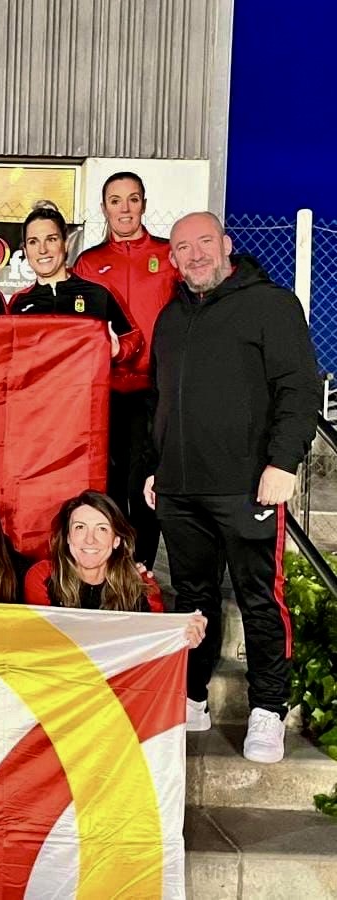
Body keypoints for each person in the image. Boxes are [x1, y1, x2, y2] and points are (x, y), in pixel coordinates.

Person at [145, 211, 320, 764]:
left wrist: (283, 462)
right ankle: (194, 696)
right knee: (193, 599)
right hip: (180, 488)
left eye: (204, 243)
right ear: (172, 258)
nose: (195, 255)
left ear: (225, 245)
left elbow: (299, 387)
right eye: (183, 248)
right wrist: (157, 466)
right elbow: (161, 399)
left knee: (259, 597)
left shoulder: (270, 304)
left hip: (248, 486)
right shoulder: (170, 317)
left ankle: (268, 708)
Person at [71, 173, 178, 568]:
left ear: (144, 204)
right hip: (106, 389)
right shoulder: (89, 262)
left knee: (145, 482)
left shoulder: (168, 255)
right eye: (115, 201)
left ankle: (143, 565)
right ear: (104, 208)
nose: (125, 208)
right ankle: (111, 564)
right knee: (110, 481)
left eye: (133, 199)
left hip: (155, 389)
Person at [8, 205, 141, 363]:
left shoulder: (98, 292)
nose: (42, 250)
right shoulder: (18, 303)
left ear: (65, 244)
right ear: (25, 251)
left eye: (51, 239)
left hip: (86, 380)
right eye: (33, 242)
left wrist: (118, 351)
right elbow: (3, 355)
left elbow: (132, 337)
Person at [23, 491, 167, 612]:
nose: (90, 540)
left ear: (116, 540)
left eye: (102, 529)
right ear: (67, 537)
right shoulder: (43, 576)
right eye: (80, 527)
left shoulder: (142, 586)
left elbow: (157, 634)